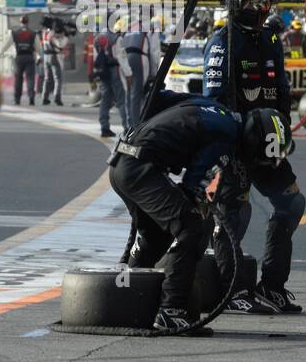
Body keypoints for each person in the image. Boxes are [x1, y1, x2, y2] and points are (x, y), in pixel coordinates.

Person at [111, 103, 288, 332]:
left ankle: (128, 300)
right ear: (256, 142)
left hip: (123, 163)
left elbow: (169, 98)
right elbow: (194, 182)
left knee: (157, 236)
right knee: (192, 226)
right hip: (140, 169)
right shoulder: (226, 139)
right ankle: (171, 310)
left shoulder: (220, 112)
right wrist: (201, 204)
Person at [204, 0, 305, 315]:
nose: (261, 8)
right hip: (235, 144)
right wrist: (229, 143)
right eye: (252, 3)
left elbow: (282, 93)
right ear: (236, 5)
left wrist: (284, 131)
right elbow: (214, 99)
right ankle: (230, 291)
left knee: (292, 203)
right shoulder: (222, 42)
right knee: (235, 213)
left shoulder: (272, 40)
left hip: (269, 143)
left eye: (265, 2)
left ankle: (272, 286)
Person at [94, 21, 129, 137]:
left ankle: (104, 127)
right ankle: (127, 127)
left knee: (105, 100)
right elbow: (121, 56)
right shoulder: (117, 37)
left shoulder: (98, 38)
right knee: (121, 99)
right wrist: (128, 73)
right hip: (116, 69)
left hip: (103, 70)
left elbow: (96, 56)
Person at [10, 17, 40, 106]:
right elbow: (38, 47)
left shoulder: (15, 33)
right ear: (28, 22)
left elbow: (7, 44)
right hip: (29, 57)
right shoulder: (33, 33)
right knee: (30, 79)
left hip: (19, 57)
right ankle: (31, 97)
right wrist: (41, 56)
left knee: (18, 79)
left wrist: (0, 53)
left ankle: (17, 99)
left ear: (20, 22)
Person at [40, 20, 68, 106]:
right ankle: (57, 98)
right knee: (58, 78)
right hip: (53, 56)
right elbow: (59, 44)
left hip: (46, 57)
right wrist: (65, 38)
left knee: (47, 78)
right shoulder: (52, 34)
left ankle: (44, 97)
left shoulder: (44, 33)